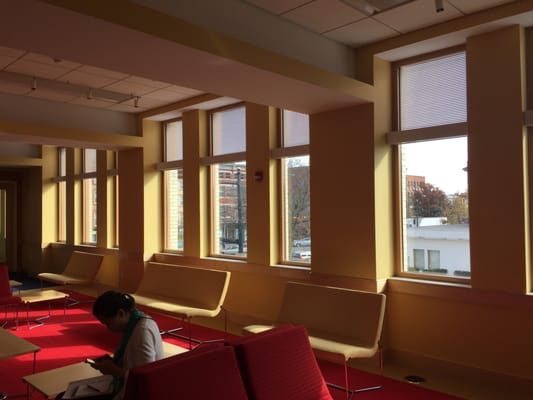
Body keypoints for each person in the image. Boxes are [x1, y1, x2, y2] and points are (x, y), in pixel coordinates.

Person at [57, 291, 163, 400]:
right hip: (124, 385)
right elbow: (133, 362)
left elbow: (144, 379)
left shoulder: (142, 331)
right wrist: (112, 362)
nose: (108, 329)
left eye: (108, 323)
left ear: (121, 313)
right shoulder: (135, 322)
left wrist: (113, 370)